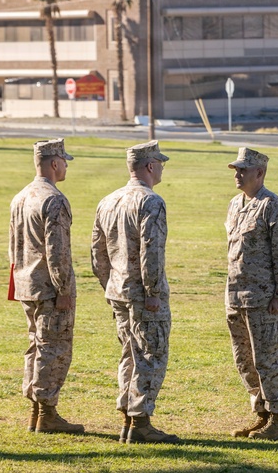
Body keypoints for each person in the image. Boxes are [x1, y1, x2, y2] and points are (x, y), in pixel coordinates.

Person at [91, 141, 180, 444]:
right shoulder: (150, 201)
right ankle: (140, 422)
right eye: (161, 163)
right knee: (150, 354)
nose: (163, 168)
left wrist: (109, 283)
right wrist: (153, 290)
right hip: (143, 294)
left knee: (129, 354)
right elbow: (151, 252)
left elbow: (97, 251)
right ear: (150, 166)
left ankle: (128, 418)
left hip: (118, 290)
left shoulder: (108, 200)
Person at [8, 138, 83, 434]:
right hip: (51, 288)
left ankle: (36, 413)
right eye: (64, 161)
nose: (65, 166)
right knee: (54, 348)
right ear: (54, 163)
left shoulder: (21, 197)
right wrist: (64, 289)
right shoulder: (54, 199)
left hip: (26, 283)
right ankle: (47, 413)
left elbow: (13, 247)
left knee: (35, 346)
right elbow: (58, 251)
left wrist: (17, 280)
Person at [225, 148, 278, 441]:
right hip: (235, 296)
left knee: (267, 358)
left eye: (243, 170)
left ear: (260, 173)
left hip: (263, 298)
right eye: (236, 169)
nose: (237, 174)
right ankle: (262, 414)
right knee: (244, 359)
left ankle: (277, 419)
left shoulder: (272, 206)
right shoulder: (235, 204)